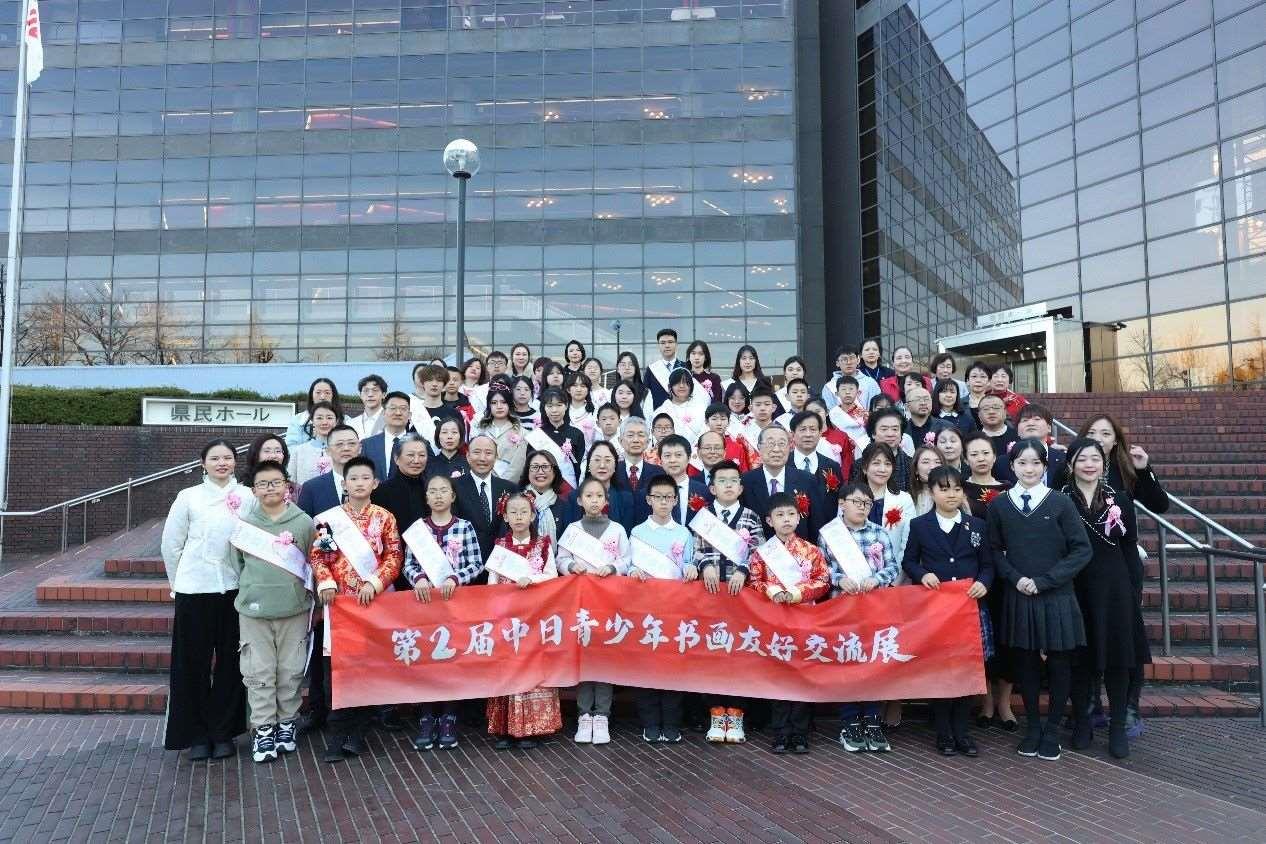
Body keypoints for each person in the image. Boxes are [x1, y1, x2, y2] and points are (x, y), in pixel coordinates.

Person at [986, 438, 1092, 762]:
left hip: (1056, 594)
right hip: (1019, 594)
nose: (1028, 469)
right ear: (1012, 466)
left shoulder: (1060, 502)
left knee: (1059, 663)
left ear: (1045, 466)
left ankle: (1052, 731)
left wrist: (1045, 581)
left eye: (1035, 463)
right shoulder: (1000, 505)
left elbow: (1081, 550)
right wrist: (1015, 578)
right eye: (1022, 462)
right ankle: (1032, 728)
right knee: (1026, 664)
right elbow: (994, 551)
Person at [161, 439, 253, 760]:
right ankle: (196, 735)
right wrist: (178, 583)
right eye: (215, 458)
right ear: (203, 463)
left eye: (227, 457)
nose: (221, 463)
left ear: (235, 462)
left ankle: (224, 732)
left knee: (231, 664)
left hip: (234, 589)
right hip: (194, 590)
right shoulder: (188, 497)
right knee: (192, 664)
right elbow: (171, 545)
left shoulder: (247, 496)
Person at [311, 455, 403, 763]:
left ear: (375, 483)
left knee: (367, 668)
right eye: (354, 478)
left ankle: (358, 733)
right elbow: (319, 557)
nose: (359, 483)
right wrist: (326, 582)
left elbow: (394, 556)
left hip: (373, 602)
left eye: (365, 478)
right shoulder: (328, 520)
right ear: (344, 483)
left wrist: (374, 583)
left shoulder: (385, 517)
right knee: (336, 671)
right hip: (339, 606)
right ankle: (337, 734)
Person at [1063, 438, 1150, 760]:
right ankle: (1083, 721)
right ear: (1070, 464)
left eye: (1095, 458)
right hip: (1075, 586)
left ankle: (1116, 728)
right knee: (1080, 658)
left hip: (1115, 589)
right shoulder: (1060, 500)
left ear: (1104, 464)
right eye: (1082, 459)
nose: (1089, 464)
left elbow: (1130, 547)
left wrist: (1134, 590)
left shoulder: (1120, 499)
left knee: (1118, 659)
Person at [902, 466, 993, 757]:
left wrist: (983, 582)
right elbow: (909, 561)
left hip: (969, 609)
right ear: (931, 493)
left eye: (956, 488)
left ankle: (962, 733)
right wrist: (922, 574)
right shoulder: (920, 525)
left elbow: (988, 564)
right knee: (940, 670)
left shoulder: (976, 525)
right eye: (943, 489)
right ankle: (943, 733)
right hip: (937, 611)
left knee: (966, 670)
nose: (951, 494)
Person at [233, 460, 316, 764]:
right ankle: (264, 728)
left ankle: (287, 723)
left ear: (287, 486)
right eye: (263, 484)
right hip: (254, 610)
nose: (270, 488)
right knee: (258, 670)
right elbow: (237, 564)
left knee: (291, 669)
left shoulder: (303, 522)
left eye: (276, 482)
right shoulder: (244, 524)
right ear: (253, 490)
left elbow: (312, 563)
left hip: (294, 608)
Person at [402, 473, 485, 752]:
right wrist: (418, 579)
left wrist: (455, 578)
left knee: (451, 659)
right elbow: (408, 564)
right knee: (426, 660)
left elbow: (476, 563)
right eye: (433, 491)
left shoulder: (464, 527)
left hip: (455, 606)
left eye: (443, 491)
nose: (438, 496)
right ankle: (427, 717)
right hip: (424, 607)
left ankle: (449, 716)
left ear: (453, 496)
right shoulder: (418, 530)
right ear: (426, 498)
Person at [746, 491, 830, 755]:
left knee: (801, 674)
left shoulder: (811, 551)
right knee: (779, 674)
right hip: (774, 619)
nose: (786, 519)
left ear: (799, 517)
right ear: (769, 521)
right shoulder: (762, 553)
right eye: (780, 515)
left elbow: (823, 580)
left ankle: (801, 732)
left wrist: (795, 593)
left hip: (804, 617)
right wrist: (772, 591)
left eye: (791, 514)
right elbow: (754, 581)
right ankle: (781, 732)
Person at [823, 482, 899, 753]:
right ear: (842, 503)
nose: (862, 507)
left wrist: (876, 579)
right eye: (856, 502)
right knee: (847, 663)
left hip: (874, 610)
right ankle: (850, 722)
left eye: (867, 503)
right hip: (842, 610)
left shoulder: (879, 532)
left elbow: (893, 567)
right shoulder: (829, 533)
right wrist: (838, 579)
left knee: (873, 663)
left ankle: (872, 720)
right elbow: (822, 568)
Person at [557, 477, 632, 746]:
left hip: (608, 603)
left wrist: (613, 568)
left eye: (599, 495)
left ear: (606, 500)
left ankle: (602, 715)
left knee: (604, 657)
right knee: (584, 657)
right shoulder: (572, 530)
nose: (594, 500)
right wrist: (570, 567)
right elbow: (561, 558)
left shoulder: (618, 530)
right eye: (588, 496)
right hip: (581, 604)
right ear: (579, 500)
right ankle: (584, 715)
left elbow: (626, 560)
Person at [691, 459, 762, 744]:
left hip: (740, 598)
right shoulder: (704, 516)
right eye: (722, 481)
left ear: (741, 487)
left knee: (739, 654)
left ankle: (736, 713)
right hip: (710, 597)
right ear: (712, 487)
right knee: (713, 653)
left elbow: (758, 551)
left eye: (733, 481)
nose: (728, 485)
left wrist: (744, 570)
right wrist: (704, 564)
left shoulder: (751, 516)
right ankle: (716, 713)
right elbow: (694, 549)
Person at [486, 493, 562, 750]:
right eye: (513, 512)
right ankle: (505, 728)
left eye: (524, 512)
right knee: (507, 669)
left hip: (535, 618)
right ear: (505, 516)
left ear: (532, 516)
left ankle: (533, 728)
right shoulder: (500, 547)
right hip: (508, 620)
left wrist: (533, 579)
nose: (518, 517)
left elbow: (552, 576)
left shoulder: (542, 545)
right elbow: (492, 582)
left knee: (533, 669)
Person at [629, 475, 696, 743]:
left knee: (672, 666)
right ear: (649, 500)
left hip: (674, 610)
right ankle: (650, 723)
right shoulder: (637, 532)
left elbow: (690, 562)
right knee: (646, 667)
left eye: (669, 497)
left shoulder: (683, 533)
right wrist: (633, 571)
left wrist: (691, 567)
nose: (663, 502)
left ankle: (671, 723)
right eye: (658, 497)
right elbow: (629, 565)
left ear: (676, 500)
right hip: (645, 609)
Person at [960, 430, 1015, 731]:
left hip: (1005, 571)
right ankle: (986, 703)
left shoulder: (1010, 489)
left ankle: (1005, 703)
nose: (980, 458)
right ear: (965, 458)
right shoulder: (959, 489)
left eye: (985, 453)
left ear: (995, 456)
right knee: (980, 639)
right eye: (974, 454)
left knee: (1005, 637)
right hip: (975, 574)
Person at [741, 425, 823, 542]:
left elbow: (816, 523)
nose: (776, 449)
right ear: (759, 447)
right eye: (770, 444)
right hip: (758, 550)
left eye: (781, 443)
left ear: (790, 447)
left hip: (799, 550)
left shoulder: (807, 480)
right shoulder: (745, 482)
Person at [371, 432, 431, 589]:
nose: (416, 460)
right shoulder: (381, 492)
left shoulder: (433, 489)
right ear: (396, 459)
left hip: (431, 568)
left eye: (422, 455)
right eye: (410, 455)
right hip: (394, 570)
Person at [1079, 413, 1169, 514]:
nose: (1097, 439)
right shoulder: (1069, 467)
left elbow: (1159, 506)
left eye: (1106, 434)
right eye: (1091, 433)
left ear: (1115, 441)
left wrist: (1143, 470)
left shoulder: (1124, 470)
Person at [453, 435, 517, 563]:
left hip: (501, 563)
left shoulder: (510, 488)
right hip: (466, 562)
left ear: (496, 457)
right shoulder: (453, 487)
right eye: (477, 452)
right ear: (467, 456)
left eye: (488, 453)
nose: (482, 458)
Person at [856, 442, 915, 573]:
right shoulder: (851, 499)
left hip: (896, 575)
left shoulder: (904, 499)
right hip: (859, 576)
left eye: (887, 464)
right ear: (865, 468)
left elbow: (908, 543)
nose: (882, 469)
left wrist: (894, 576)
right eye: (876, 463)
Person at [559, 440, 638, 533]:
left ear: (615, 466)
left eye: (608, 460)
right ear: (589, 464)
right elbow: (568, 534)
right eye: (597, 460)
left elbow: (627, 534)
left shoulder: (626, 498)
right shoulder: (573, 497)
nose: (602, 465)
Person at [295, 424, 361, 517]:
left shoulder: (374, 486)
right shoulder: (311, 488)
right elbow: (304, 524)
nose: (346, 448)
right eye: (339, 444)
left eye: (351, 443)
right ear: (328, 450)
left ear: (360, 448)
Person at [473, 378, 528, 483]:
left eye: (503, 402)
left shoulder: (522, 432)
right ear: (489, 405)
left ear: (510, 404)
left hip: (510, 484)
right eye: (494, 403)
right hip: (482, 482)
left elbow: (518, 466)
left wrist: (501, 485)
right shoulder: (480, 430)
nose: (499, 406)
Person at [788, 410, 845, 500]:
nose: (808, 434)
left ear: (820, 433)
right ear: (792, 434)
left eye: (813, 429)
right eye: (802, 429)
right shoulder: (783, 464)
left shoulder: (832, 467)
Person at [656, 434, 710, 526]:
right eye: (667, 455)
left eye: (678, 455)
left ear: (689, 458)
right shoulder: (649, 492)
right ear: (660, 460)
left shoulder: (704, 491)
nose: (673, 460)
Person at [361, 391, 415, 482]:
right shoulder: (367, 445)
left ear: (409, 415)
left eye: (403, 408)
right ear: (383, 413)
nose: (398, 413)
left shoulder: (420, 444)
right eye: (393, 408)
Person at [536, 387, 586, 485]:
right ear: (544, 407)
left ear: (566, 406)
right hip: (543, 485)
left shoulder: (577, 434)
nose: (554, 410)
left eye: (559, 405)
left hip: (569, 486)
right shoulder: (537, 435)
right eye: (550, 406)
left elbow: (579, 464)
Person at [288, 402, 342, 486]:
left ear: (336, 421)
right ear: (312, 421)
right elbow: (291, 483)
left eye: (329, 418)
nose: (324, 422)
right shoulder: (298, 451)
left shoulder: (344, 450)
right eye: (319, 418)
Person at [520, 449, 568, 542]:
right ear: (527, 471)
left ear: (554, 472)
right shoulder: (515, 502)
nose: (540, 471)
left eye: (545, 467)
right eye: (535, 467)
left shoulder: (565, 506)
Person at [653, 367, 708, 447]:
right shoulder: (661, 411)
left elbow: (706, 432)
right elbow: (656, 438)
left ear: (691, 386)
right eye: (677, 383)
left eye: (686, 383)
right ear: (669, 387)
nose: (682, 386)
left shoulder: (701, 409)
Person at [1016, 403, 1067, 488]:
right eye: (1025, 420)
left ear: (1049, 428)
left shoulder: (1064, 460)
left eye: (1037, 419)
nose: (1030, 423)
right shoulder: (1002, 463)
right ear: (1017, 430)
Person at [410, 363, 460, 446]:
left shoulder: (454, 413)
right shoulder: (413, 412)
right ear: (423, 383)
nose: (434, 384)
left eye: (439, 380)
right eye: (430, 380)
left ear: (444, 385)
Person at [865, 408, 914, 489]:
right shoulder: (861, 464)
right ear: (873, 433)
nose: (890, 434)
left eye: (895, 429)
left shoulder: (911, 464)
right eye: (884, 429)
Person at [822, 345, 881, 412]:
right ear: (837, 363)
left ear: (858, 360)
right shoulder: (829, 387)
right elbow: (829, 412)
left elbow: (877, 408)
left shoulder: (870, 383)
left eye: (852, 358)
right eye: (844, 359)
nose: (849, 362)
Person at [285, 378, 341, 446]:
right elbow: (290, 448)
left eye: (327, 393)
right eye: (318, 392)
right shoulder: (298, 420)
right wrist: (315, 440)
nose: (322, 397)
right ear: (311, 395)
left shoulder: (346, 420)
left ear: (333, 395)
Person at [615, 416, 665, 493]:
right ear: (620, 441)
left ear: (648, 441)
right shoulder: (612, 471)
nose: (636, 440)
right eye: (630, 435)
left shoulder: (659, 473)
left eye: (641, 435)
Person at [976, 394, 1017, 482]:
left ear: (1005, 412)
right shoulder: (973, 440)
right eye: (986, 409)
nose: (991, 412)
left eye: (996, 408)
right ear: (979, 415)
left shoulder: (1018, 436)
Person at [644, 328, 685, 408]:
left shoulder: (685, 367)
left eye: (670, 342)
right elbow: (646, 396)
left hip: (682, 412)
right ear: (658, 346)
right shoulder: (651, 370)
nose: (667, 346)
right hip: (658, 413)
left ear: (676, 344)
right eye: (663, 343)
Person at [428, 417, 470, 481]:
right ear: (438, 437)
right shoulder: (429, 465)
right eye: (444, 432)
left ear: (460, 436)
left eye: (454, 432)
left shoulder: (469, 464)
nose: (449, 436)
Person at [563, 371, 598, 448]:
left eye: (583, 386)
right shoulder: (562, 410)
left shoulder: (596, 411)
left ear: (588, 390)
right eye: (575, 385)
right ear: (568, 389)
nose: (579, 389)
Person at [909, 445, 945, 515]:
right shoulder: (906, 497)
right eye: (925, 462)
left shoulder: (952, 495)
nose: (932, 467)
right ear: (916, 469)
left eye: (937, 462)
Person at [348, 374, 387, 439]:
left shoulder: (392, 421)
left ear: (384, 394)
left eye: (375, 390)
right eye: (366, 390)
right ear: (360, 395)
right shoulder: (351, 423)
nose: (370, 394)